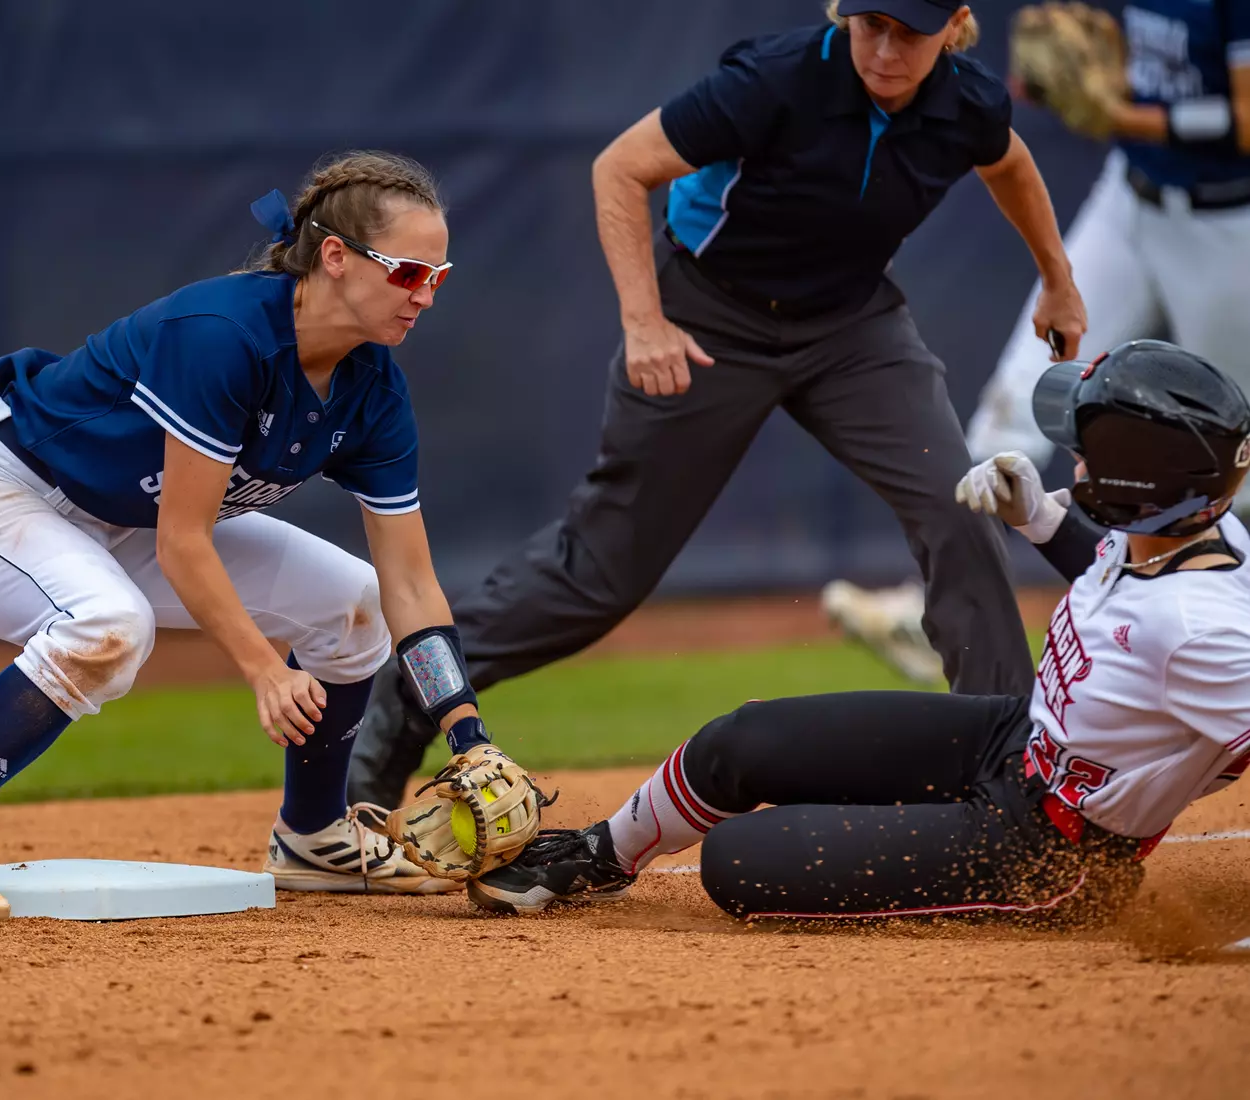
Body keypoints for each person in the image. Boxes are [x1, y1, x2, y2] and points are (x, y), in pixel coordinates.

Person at [349, 0, 1088, 809]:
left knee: (963, 511)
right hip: (710, 317)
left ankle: (1008, 774)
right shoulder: (774, 79)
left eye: (908, 31)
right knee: (601, 574)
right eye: (869, 23)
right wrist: (644, 321)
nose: (883, 48)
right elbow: (621, 169)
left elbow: (1007, 160)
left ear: (955, 27)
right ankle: (404, 703)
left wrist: (1057, 276)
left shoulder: (966, 101)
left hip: (853, 328)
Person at [0, 151, 522, 923]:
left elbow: (409, 584)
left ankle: (312, 837)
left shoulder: (374, 390)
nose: (425, 297)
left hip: (124, 516)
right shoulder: (225, 336)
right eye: (408, 272)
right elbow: (184, 539)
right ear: (335, 257)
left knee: (356, 604)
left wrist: (466, 731)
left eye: (438, 278)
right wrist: (266, 669)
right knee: (107, 626)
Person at [468, 340, 1250, 924]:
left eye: (1088, 450)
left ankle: (1064, 900)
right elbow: (1121, 582)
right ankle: (602, 853)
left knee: (741, 864)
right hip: (1017, 737)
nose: (1073, 459)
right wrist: (1043, 521)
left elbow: (1190, 652)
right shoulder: (1180, 531)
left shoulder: (1204, 629)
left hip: (1055, 850)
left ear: (1136, 478)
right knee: (739, 742)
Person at [825, 0, 1250, 679]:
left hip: (1229, 229)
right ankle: (938, 610)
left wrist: (1118, 114)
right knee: (1024, 391)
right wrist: (1085, 81)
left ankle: (1223, 638)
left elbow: (1245, 119)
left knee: (1235, 456)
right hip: (1129, 199)